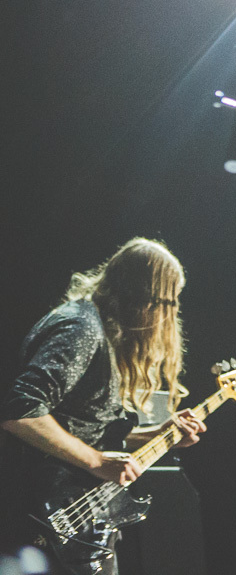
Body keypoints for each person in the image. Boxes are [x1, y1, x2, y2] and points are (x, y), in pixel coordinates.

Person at [0, 238, 206, 573]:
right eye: (170, 303)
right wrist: (95, 460)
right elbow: (20, 411)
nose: (170, 317)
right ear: (147, 300)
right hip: (48, 519)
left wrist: (160, 433)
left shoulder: (101, 330)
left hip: (82, 521)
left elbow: (86, 428)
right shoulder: (81, 329)